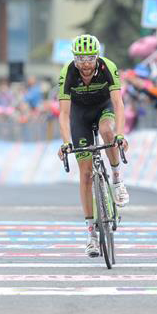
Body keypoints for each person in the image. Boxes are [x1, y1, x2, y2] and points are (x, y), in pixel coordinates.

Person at [57, 34, 130, 258]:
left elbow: (118, 104)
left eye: (89, 58)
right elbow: (64, 113)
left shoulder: (108, 67)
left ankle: (116, 179)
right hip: (80, 116)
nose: (85, 64)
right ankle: (90, 235)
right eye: (80, 59)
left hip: (103, 109)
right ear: (74, 59)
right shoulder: (68, 72)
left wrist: (120, 134)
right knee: (86, 174)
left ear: (97, 57)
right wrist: (66, 142)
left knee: (108, 132)